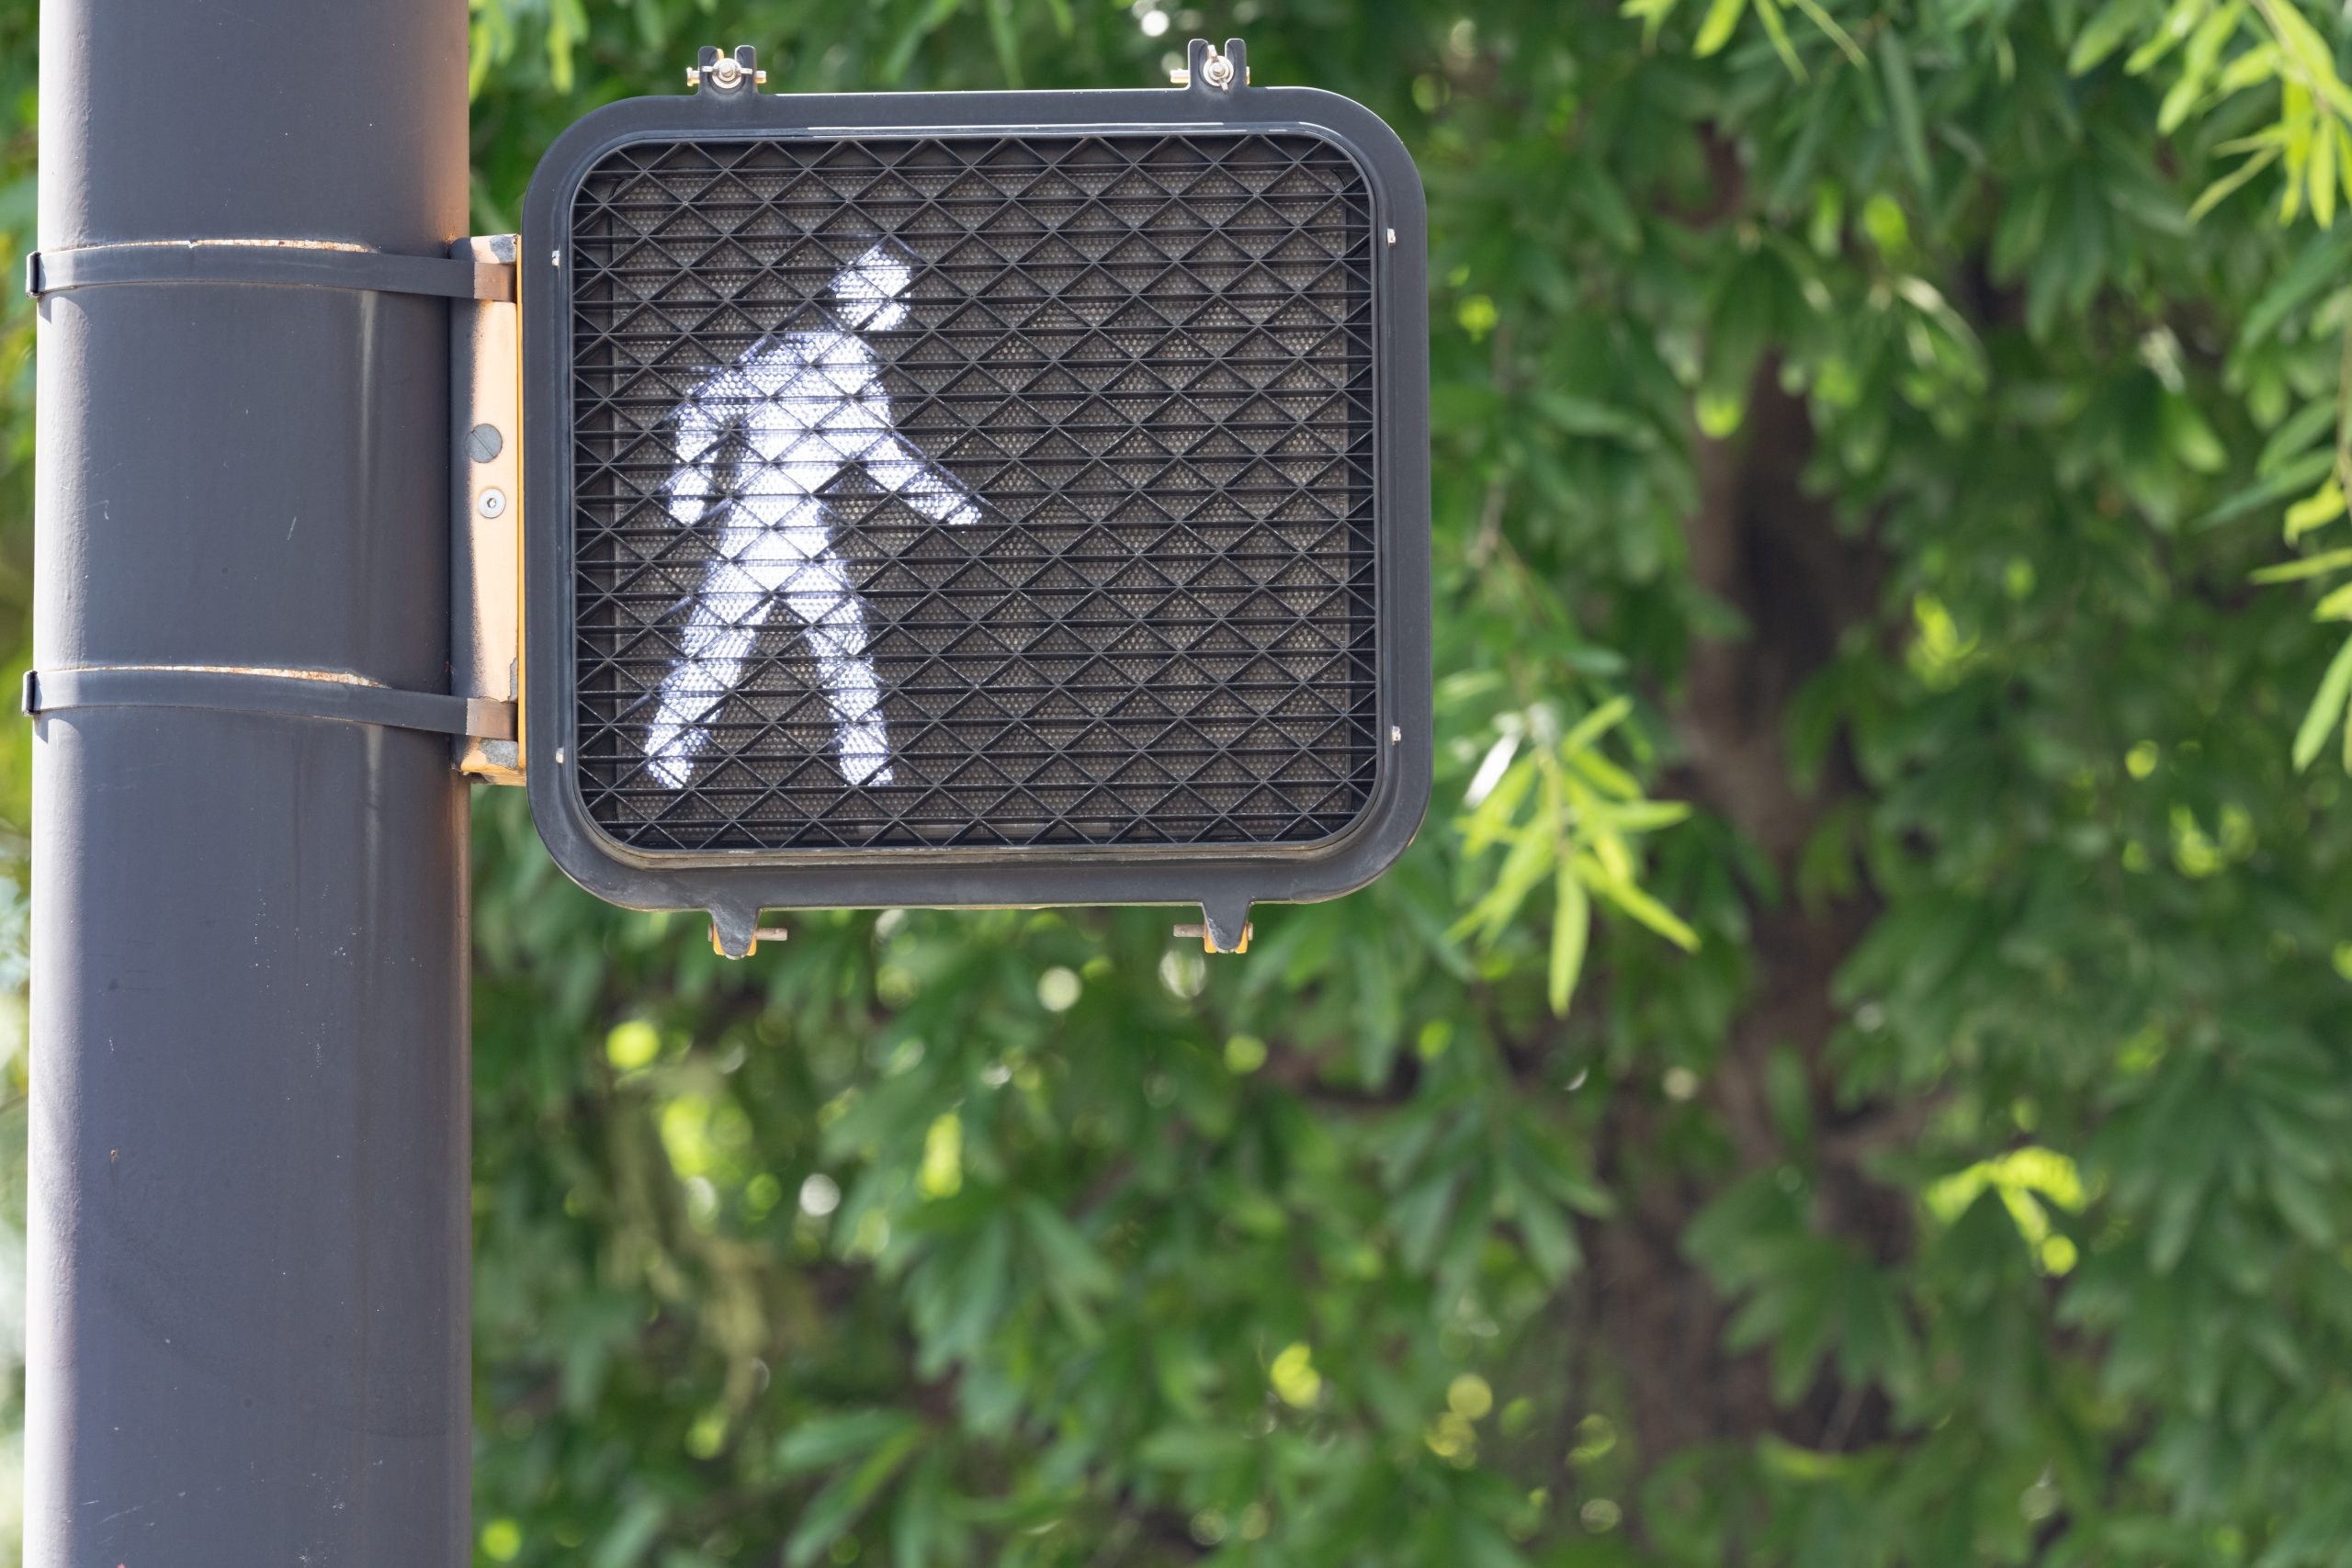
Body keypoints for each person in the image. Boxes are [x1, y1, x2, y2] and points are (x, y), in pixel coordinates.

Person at [643, 240, 982, 789]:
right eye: (892, 295)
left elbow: (882, 458)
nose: (899, 307)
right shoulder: (794, 355)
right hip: (758, 528)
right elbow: (706, 403)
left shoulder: (850, 367)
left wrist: (952, 506)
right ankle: (670, 757)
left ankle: (862, 765)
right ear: (859, 296)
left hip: (797, 531)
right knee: (736, 643)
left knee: (820, 639)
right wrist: (688, 487)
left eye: (901, 296)